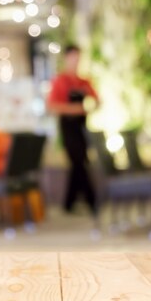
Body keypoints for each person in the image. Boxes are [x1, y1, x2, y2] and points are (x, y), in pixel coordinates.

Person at [47, 45, 100, 216]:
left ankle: (69, 203)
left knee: (79, 163)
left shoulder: (83, 81)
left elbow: (97, 100)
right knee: (78, 162)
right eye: (73, 58)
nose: (76, 62)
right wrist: (75, 109)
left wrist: (88, 109)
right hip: (68, 127)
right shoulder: (60, 81)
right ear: (66, 58)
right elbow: (52, 106)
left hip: (82, 126)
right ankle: (92, 200)